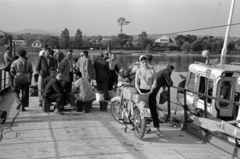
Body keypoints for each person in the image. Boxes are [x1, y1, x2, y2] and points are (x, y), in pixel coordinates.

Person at [135, 55, 164, 137]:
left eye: (146, 61)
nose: (144, 63)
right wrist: (139, 91)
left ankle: (158, 130)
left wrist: (151, 91)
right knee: (142, 109)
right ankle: (144, 126)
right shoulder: (139, 71)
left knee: (153, 110)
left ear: (148, 61)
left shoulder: (152, 70)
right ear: (140, 62)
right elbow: (136, 83)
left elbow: (155, 81)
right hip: (141, 91)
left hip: (151, 92)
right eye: (143, 62)